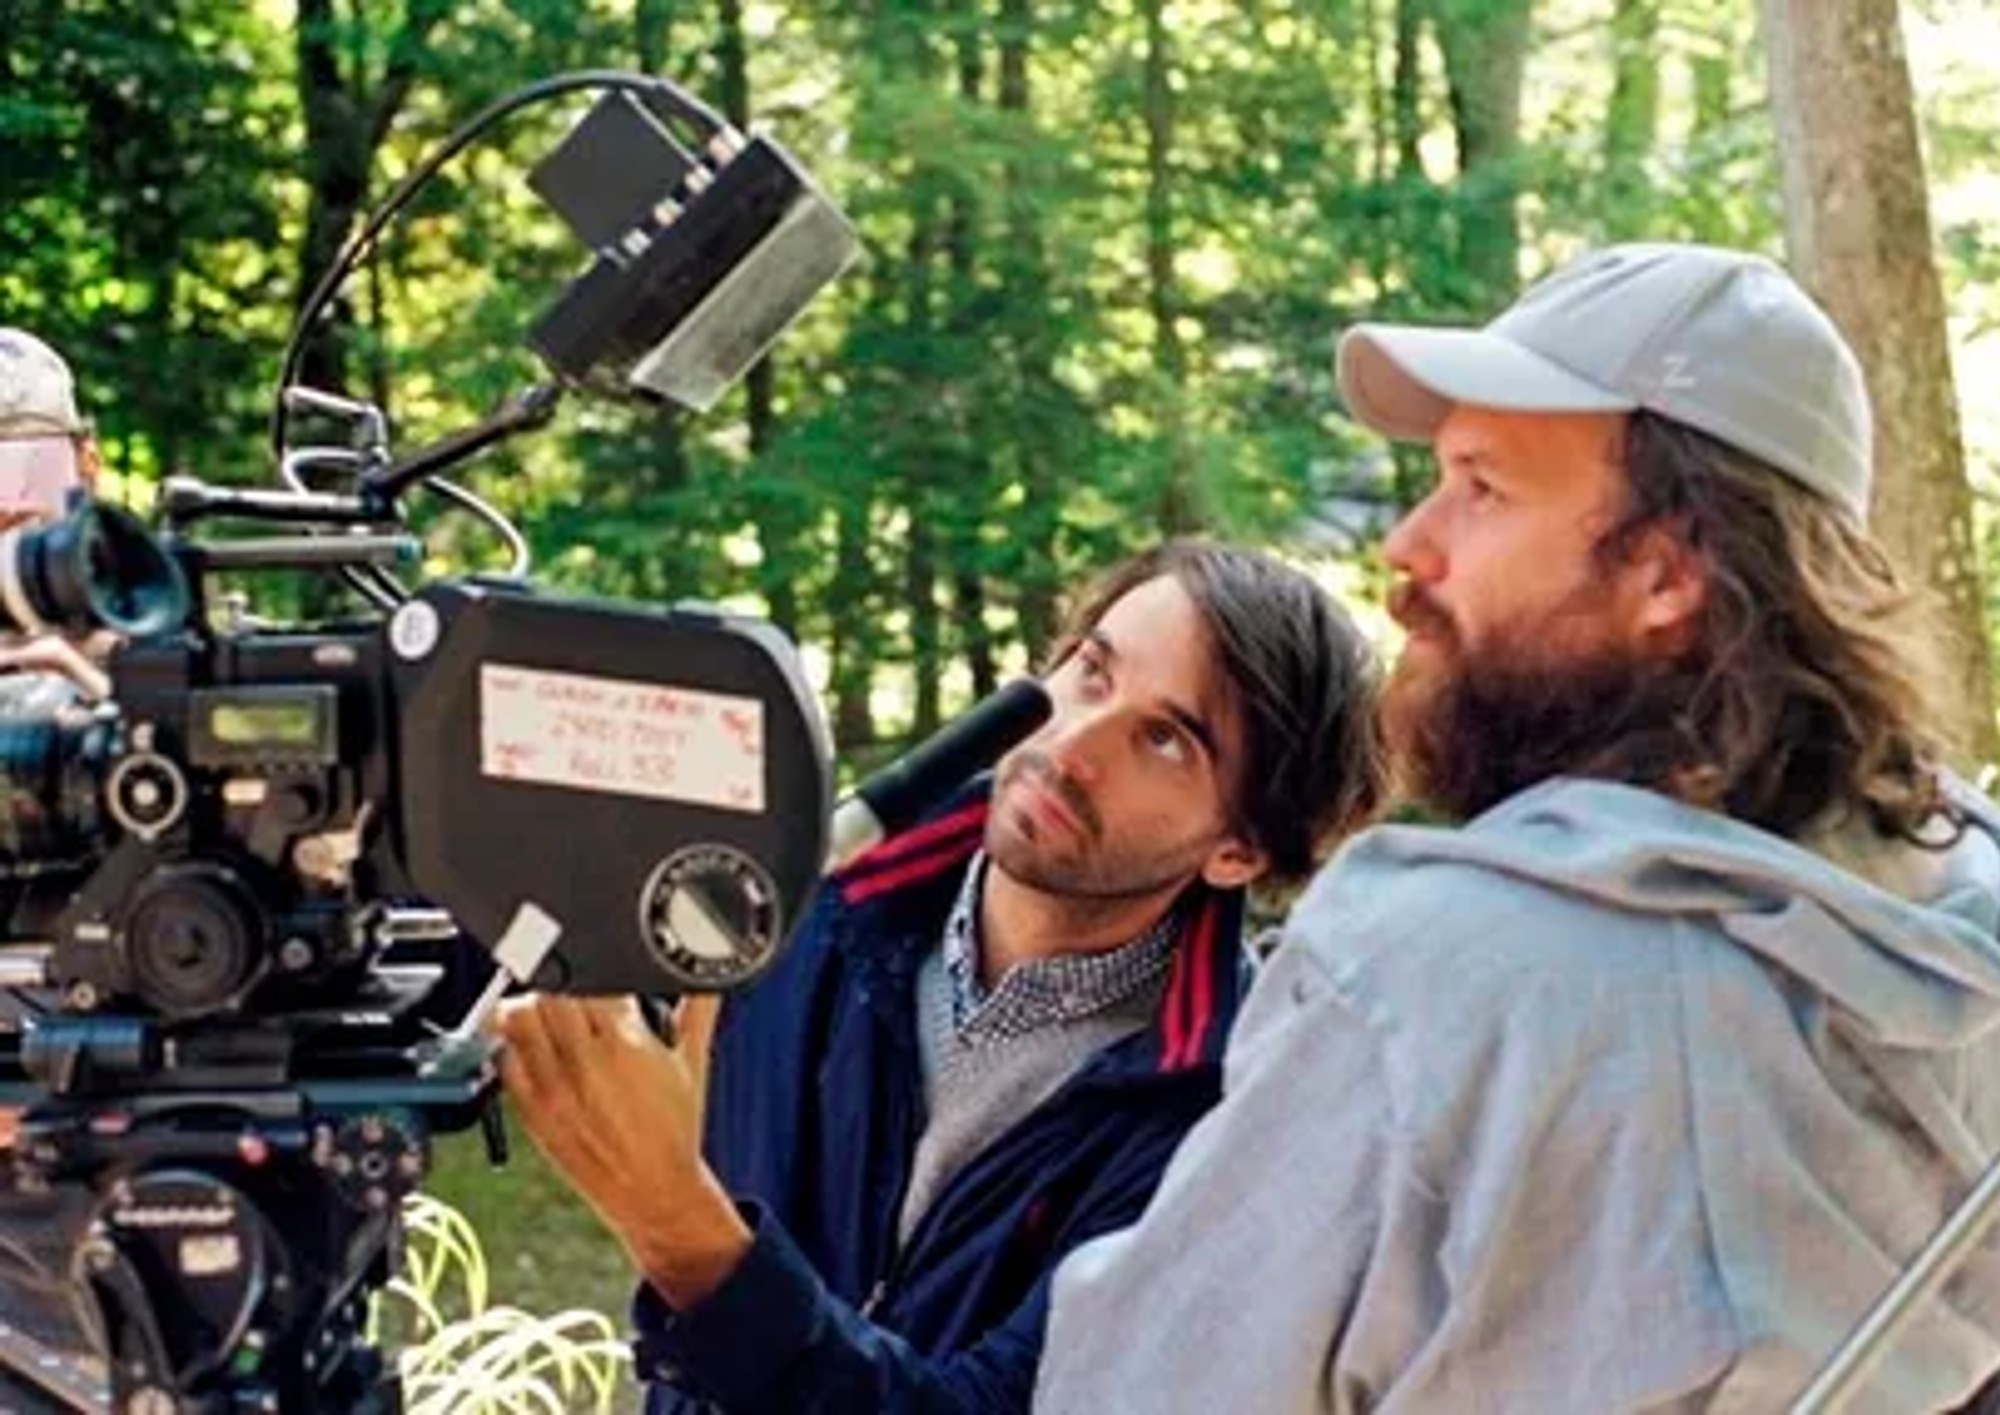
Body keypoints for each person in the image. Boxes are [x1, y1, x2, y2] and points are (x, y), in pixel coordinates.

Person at [1035, 243, 2000, 1413]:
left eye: (1480, 487)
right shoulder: (1964, 918)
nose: (1408, 543)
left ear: (1663, 571)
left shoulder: (1431, 971)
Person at [498, 540, 1383, 1413]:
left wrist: (681, 1228)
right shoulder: (794, 890)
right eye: (1091, 671)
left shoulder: (1227, 1120)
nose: (1074, 742)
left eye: (1162, 739)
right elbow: (490, 926)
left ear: (1239, 849)